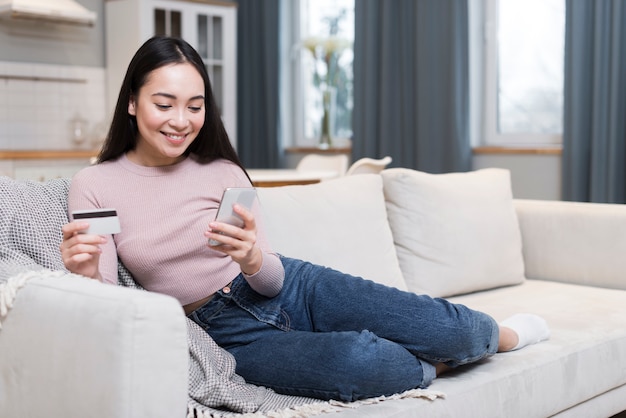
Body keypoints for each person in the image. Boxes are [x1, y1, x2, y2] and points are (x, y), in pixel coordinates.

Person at [60, 36, 549, 402]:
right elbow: (106, 301)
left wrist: (252, 257)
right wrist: (83, 275)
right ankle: (432, 370)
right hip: (224, 333)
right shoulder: (96, 184)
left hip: (293, 285)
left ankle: (501, 337)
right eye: (163, 104)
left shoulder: (223, 171)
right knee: (358, 362)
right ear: (131, 103)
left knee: (459, 331)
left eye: (195, 105)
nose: (181, 121)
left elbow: (271, 280)